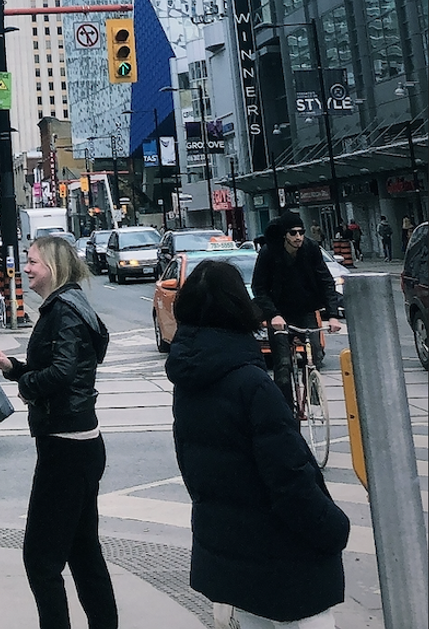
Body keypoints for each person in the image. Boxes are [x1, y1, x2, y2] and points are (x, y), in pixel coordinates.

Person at [166, 257, 350, 628]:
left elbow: (195, 470)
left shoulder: (189, 381)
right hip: (284, 562)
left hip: (232, 557)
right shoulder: (251, 384)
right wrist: (334, 529)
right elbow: (291, 479)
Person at [0, 236, 117, 629]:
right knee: (83, 551)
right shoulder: (71, 306)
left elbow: (63, 372)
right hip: (79, 441)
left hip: (65, 447)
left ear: (53, 267)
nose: (27, 268)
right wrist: (14, 367)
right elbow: (63, 368)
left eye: (33, 262)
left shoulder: (63, 311)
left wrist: (25, 385)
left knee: (40, 560)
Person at [252, 213, 341, 409]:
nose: (298, 237)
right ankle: (285, 408)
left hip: (306, 309)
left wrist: (333, 315)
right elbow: (259, 288)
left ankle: (311, 393)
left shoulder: (310, 249)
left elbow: (326, 281)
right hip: (279, 313)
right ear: (284, 235)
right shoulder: (269, 252)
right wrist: (273, 314)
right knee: (282, 364)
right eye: (293, 233)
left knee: (315, 354)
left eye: (301, 232)